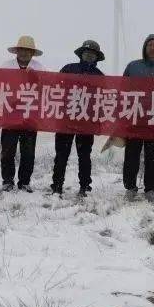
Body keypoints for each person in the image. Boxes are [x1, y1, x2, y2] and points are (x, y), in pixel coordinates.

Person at [122, 34, 154, 204]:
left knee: (153, 157)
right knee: (131, 156)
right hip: (135, 118)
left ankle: (150, 189)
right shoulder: (133, 67)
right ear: (145, 47)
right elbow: (123, 90)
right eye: (150, 44)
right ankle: (130, 188)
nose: (153, 48)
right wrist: (122, 113)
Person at [51, 40, 103, 198]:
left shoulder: (100, 76)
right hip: (66, 119)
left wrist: (98, 121)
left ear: (96, 57)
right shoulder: (68, 69)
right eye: (86, 52)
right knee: (61, 154)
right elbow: (55, 88)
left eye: (92, 53)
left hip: (87, 121)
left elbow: (102, 101)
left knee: (85, 155)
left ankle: (85, 185)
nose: (89, 55)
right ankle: (57, 185)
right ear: (81, 53)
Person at [0, 35, 46, 193]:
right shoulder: (5, 67)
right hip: (10, 116)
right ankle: (7, 181)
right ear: (17, 51)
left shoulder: (40, 68)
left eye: (28, 50)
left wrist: (35, 79)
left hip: (30, 117)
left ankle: (25, 182)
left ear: (32, 53)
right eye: (22, 50)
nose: (24, 53)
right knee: (7, 151)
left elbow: (46, 91)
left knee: (28, 152)